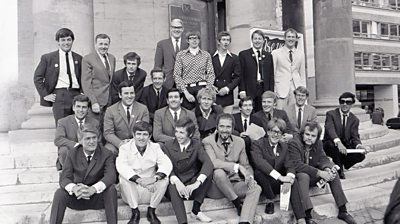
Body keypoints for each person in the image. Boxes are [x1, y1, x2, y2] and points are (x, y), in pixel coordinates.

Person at [289, 121, 357, 224]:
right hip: (300, 177)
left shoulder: (318, 143)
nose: (309, 138)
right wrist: (320, 173)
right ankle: (307, 216)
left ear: (317, 137)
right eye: (307, 134)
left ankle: (343, 210)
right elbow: (297, 165)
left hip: (313, 174)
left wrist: (327, 169)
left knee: (333, 174)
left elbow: (323, 158)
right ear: (302, 134)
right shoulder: (294, 143)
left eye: (313, 136)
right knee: (303, 176)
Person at [49, 124, 117, 224]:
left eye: (94, 138)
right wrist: (74, 188)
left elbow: (111, 176)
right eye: (88, 139)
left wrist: (93, 189)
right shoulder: (72, 153)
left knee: (111, 190)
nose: (92, 142)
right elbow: (64, 178)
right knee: (59, 193)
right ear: (80, 141)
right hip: (78, 196)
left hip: (97, 197)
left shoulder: (106, 153)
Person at [203, 113, 262, 224]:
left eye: (228, 127)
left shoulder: (240, 142)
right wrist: (236, 166)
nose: (224, 130)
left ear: (233, 128)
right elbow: (213, 163)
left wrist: (250, 176)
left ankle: (244, 221)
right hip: (216, 188)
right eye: (222, 126)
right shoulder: (208, 141)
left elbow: (246, 165)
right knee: (218, 172)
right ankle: (237, 204)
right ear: (217, 127)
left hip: (235, 184)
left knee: (256, 188)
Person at [251, 118, 307, 223]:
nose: (276, 135)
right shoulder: (258, 144)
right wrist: (281, 177)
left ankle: (301, 218)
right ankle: (270, 200)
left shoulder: (284, 146)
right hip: (263, 182)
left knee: (293, 181)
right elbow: (260, 163)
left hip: (275, 182)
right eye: (273, 131)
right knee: (258, 172)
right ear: (268, 132)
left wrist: (289, 178)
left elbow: (290, 165)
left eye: (279, 132)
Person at [116, 121, 172, 224]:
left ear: (150, 136)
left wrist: (154, 179)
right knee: (123, 178)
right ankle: (135, 212)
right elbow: (122, 166)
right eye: (138, 134)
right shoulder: (124, 148)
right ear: (133, 135)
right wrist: (140, 181)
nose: (141, 138)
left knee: (164, 179)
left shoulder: (155, 147)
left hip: (151, 191)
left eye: (145, 134)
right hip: (132, 192)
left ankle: (152, 210)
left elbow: (166, 164)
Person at [162, 118, 214, 224]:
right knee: (172, 187)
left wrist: (196, 183)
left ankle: (196, 209)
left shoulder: (196, 144)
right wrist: (177, 182)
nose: (177, 135)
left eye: (181, 132)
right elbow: (165, 167)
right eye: (176, 131)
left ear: (190, 134)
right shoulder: (167, 145)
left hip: (191, 185)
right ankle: (183, 222)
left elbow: (208, 163)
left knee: (208, 172)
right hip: (174, 185)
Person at [33, 28, 82, 124]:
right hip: (60, 96)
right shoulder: (48, 58)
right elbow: (37, 77)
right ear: (58, 42)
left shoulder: (79, 58)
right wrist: (45, 95)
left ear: (72, 41)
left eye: (69, 40)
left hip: (76, 95)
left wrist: (82, 92)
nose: (66, 43)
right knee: (62, 126)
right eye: (63, 40)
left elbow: (83, 78)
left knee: (78, 126)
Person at [323, 92, 366, 179]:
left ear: (352, 104)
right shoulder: (331, 114)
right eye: (342, 102)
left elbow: (355, 136)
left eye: (348, 102)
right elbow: (330, 129)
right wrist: (338, 143)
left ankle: (342, 164)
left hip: (345, 146)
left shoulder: (354, 119)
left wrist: (359, 145)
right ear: (339, 103)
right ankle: (339, 170)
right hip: (330, 144)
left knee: (361, 155)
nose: (345, 104)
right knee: (333, 146)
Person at [54, 94, 99, 170]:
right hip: (71, 155)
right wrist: (77, 145)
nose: (81, 110)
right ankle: (67, 173)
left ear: (88, 109)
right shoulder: (63, 122)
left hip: (89, 155)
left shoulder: (94, 123)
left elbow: (98, 141)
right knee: (63, 150)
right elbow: (58, 139)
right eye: (78, 106)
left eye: (84, 107)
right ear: (73, 108)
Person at [103, 81, 149, 155]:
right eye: (126, 93)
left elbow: (144, 131)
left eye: (132, 93)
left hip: (137, 143)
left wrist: (132, 144)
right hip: (118, 144)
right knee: (108, 149)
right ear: (120, 95)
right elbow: (108, 133)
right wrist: (121, 143)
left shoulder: (143, 109)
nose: (130, 96)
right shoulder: (110, 110)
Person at [173, 31, 215, 110]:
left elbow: (211, 74)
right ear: (187, 41)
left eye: (196, 38)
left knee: (202, 114)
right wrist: (186, 93)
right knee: (188, 116)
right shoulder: (181, 55)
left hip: (202, 88)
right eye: (191, 38)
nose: (194, 40)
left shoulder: (206, 55)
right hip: (187, 89)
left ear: (199, 40)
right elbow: (177, 75)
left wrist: (207, 91)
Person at [81, 33, 116, 121]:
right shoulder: (88, 59)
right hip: (96, 101)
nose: (103, 47)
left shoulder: (112, 58)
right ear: (95, 45)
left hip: (109, 101)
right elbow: (86, 84)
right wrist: (93, 102)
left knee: (107, 128)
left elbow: (109, 80)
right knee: (95, 128)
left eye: (106, 44)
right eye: (100, 44)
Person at [238, 29, 274, 112]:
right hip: (249, 89)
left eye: (259, 39)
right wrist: (242, 90)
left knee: (263, 113)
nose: (257, 41)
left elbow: (271, 75)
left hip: (264, 89)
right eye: (255, 39)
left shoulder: (268, 56)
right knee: (249, 112)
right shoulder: (244, 54)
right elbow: (241, 75)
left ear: (263, 40)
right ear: (252, 40)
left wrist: (271, 92)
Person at [272, 28, 306, 109]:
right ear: (284, 38)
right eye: (289, 37)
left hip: (296, 88)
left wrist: (303, 90)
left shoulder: (300, 54)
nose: (291, 39)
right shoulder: (276, 53)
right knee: (280, 114)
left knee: (294, 114)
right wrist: (274, 90)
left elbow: (302, 73)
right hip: (281, 89)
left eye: (293, 37)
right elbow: (272, 73)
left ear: (296, 39)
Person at [154, 18, 188, 89]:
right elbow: (157, 66)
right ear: (170, 29)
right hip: (167, 82)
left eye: (179, 27)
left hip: (185, 83)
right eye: (174, 27)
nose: (176, 30)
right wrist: (159, 81)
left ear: (182, 29)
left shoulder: (187, 45)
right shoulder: (162, 44)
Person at [211, 31, 241, 113]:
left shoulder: (234, 58)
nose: (226, 42)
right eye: (223, 40)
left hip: (227, 95)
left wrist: (227, 88)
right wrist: (212, 86)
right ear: (218, 41)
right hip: (214, 94)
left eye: (228, 40)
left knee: (227, 121)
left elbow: (237, 77)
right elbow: (206, 74)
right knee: (214, 122)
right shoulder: (211, 57)